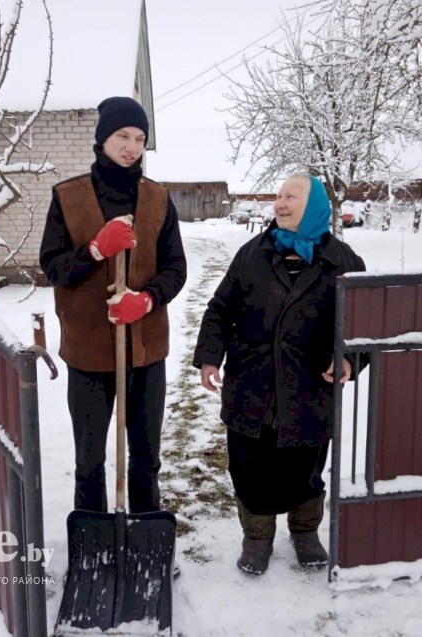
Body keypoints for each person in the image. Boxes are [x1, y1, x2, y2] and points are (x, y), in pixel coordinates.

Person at [193, 174, 366, 575]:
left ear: (316, 207)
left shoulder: (344, 262)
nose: (280, 204)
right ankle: (257, 537)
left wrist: (348, 361)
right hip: (251, 385)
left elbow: (361, 327)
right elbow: (220, 309)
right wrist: (208, 356)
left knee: (305, 469)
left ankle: (305, 531)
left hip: (309, 389)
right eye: (278, 196)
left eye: (291, 197)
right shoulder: (252, 254)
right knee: (249, 468)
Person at [39, 96, 187, 515]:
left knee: (146, 456)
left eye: (140, 138)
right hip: (88, 353)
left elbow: (176, 268)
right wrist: (95, 249)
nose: (132, 146)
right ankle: (94, 538)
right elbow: (52, 268)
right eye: (123, 135)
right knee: (89, 460)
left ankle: (144, 531)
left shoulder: (157, 198)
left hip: (145, 352)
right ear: (103, 138)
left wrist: (146, 299)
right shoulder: (68, 197)